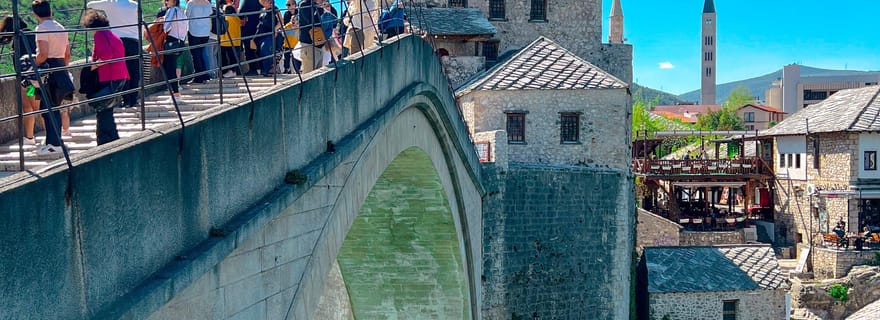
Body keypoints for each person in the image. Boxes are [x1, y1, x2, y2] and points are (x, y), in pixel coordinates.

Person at [32, 0, 72, 156]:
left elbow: (43, 54)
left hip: (49, 70)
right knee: (53, 107)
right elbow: (67, 54)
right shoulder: (60, 27)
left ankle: (53, 144)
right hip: (61, 68)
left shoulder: (42, 28)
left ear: (35, 14)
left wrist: (32, 65)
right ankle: (54, 141)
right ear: (50, 11)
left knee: (47, 108)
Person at [82, 9, 127, 145]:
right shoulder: (111, 34)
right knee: (107, 109)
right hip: (120, 75)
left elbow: (107, 56)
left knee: (103, 110)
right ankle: (111, 138)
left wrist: (92, 67)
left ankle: (104, 141)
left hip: (109, 76)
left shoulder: (100, 35)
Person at [86, 0, 141, 108]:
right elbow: (141, 23)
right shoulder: (135, 5)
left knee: (123, 70)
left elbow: (89, 5)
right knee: (134, 72)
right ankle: (134, 99)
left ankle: (126, 100)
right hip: (134, 40)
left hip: (116, 40)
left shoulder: (110, 3)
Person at [0, 16, 39, 146]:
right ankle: (30, 137)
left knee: (35, 108)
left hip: (29, 82)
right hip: (32, 80)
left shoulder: (20, 38)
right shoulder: (29, 34)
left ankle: (50, 138)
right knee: (30, 107)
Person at [162, 0, 187, 97]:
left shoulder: (172, 10)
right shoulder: (181, 12)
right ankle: (175, 91)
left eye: (167, 0)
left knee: (169, 68)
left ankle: (175, 93)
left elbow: (166, 27)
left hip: (171, 41)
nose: (166, 2)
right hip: (180, 42)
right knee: (172, 67)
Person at [186, 0, 212, 83]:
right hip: (205, 32)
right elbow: (210, 15)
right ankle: (204, 75)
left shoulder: (191, 3)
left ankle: (198, 76)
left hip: (194, 31)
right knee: (201, 53)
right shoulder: (207, 3)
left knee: (196, 55)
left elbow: (186, 16)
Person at [255, 0, 281, 76]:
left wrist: (275, 29)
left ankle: (267, 70)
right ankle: (264, 70)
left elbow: (281, 21)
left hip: (269, 33)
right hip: (261, 34)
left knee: (266, 50)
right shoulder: (262, 10)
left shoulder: (274, 9)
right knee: (260, 52)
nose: (264, 3)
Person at [297, 0, 323, 73]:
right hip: (308, 44)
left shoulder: (315, 5)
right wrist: (321, 10)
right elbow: (310, 21)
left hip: (318, 43)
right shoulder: (304, 4)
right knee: (308, 73)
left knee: (318, 73)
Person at [238, 0, 263, 75]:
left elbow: (241, 13)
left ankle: (253, 69)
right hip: (259, 27)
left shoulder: (247, 1)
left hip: (249, 27)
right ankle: (261, 68)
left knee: (249, 49)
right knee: (258, 48)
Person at [219, 4, 242, 78]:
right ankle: (233, 71)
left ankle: (226, 71)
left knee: (224, 58)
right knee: (233, 58)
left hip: (225, 41)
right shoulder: (237, 18)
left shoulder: (226, 18)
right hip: (236, 41)